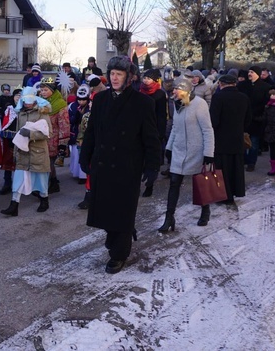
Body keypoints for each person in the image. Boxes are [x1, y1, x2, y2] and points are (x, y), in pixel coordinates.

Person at [79, 56, 160, 275]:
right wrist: (84, 156)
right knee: (105, 208)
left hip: (128, 166)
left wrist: (153, 166)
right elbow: (92, 132)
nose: (114, 78)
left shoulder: (143, 103)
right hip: (103, 164)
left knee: (122, 211)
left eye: (119, 74)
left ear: (129, 77)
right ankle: (115, 235)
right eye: (112, 74)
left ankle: (119, 254)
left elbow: (151, 138)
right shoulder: (101, 99)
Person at [159, 77, 215, 232]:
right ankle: (169, 218)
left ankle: (205, 210)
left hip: (196, 150)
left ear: (185, 90)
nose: (173, 92)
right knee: (174, 183)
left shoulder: (199, 104)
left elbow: (207, 130)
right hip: (179, 150)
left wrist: (209, 153)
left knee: (200, 183)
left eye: (176, 89)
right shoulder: (176, 105)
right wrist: (169, 148)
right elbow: (175, 129)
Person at [0, 86, 52, 216]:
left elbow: (48, 133)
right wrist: (16, 149)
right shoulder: (20, 113)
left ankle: (44, 200)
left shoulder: (42, 112)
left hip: (37, 152)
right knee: (18, 179)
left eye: (30, 100)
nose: (27, 103)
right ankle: (14, 205)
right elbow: (18, 133)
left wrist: (31, 134)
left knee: (41, 179)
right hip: (23, 152)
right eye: (25, 100)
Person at [209, 74, 251, 204]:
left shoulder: (218, 97)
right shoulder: (244, 97)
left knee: (222, 168)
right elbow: (248, 118)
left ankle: (223, 195)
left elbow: (213, 120)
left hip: (221, 139)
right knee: (235, 167)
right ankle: (234, 192)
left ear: (221, 84)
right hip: (237, 137)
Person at [37, 82, 69, 194]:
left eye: (45, 90)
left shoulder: (59, 104)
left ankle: (49, 185)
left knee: (48, 163)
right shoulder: (40, 102)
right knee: (42, 163)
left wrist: (62, 143)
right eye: (41, 90)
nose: (43, 92)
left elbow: (64, 124)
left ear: (53, 91)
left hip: (53, 138)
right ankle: (52, 183)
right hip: (40, 137)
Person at [238, 66, 271, 172]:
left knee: (254, 142)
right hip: (243, 118)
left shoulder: (265, 87)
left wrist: (260, 116)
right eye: (249, 72)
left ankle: (251, 162)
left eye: (252, 72)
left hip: (257, 119)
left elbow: (266, 103)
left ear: (257, 73)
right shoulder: (242, 85)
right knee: (242, 141)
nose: (249, 74)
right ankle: (243, 160)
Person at [139, 68, 167, 197]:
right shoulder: (140, 91)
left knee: (151, 160)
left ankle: (149, 185)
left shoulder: (160, 94)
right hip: (139, 129)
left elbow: (162, 115)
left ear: (155, 80)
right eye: (144, 77)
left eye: (148, 78)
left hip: (153, 129)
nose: (145, 80)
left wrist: (160, 132)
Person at [0, 88, 22, 195]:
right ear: (13, 97)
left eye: (21, 96)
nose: (18, 98)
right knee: (8, 163)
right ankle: (7, 183)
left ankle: (20, 184)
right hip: (10, 140)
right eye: (17, 96)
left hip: (21, 141)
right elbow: (5, 123)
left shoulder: (25, 110)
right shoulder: (10, 109)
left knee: (20, 165)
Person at [68, 84, 91, 185]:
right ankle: (76, 172)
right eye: (79, 99)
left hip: (85, 134)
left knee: (83, 154)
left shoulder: (91, 107)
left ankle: (83, 175)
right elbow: (70, 120)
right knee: (75, 154)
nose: (81, 102)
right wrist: (76, 115)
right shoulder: (73, 106)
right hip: (75, 133)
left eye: (83, 100)